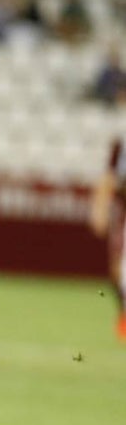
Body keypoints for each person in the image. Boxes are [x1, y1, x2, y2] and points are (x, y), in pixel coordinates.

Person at [88, 134, 126, 341]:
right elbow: (108, 179)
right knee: (116, 270)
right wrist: (99, 210)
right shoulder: (120, 145)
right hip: (123, 211)